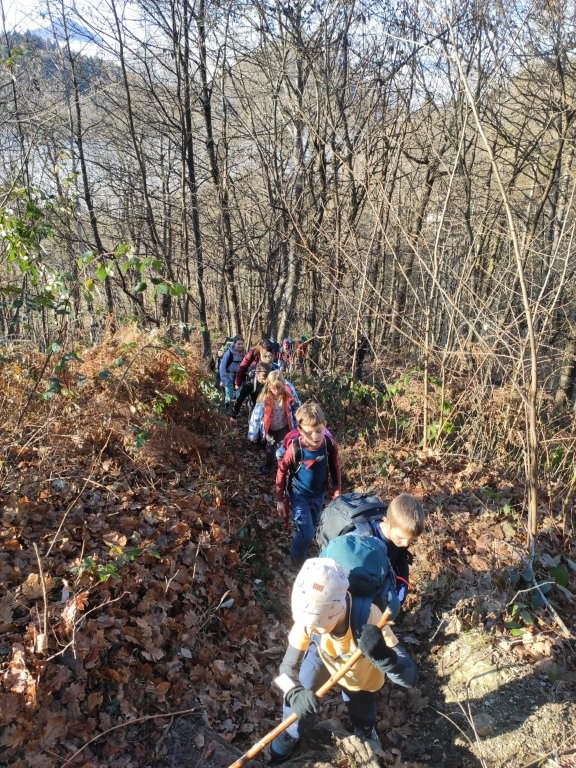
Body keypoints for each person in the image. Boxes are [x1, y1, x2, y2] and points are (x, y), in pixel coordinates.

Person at [269, 557, 418, 762]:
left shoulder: (369, 616)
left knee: (361, 707)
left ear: (334, 612)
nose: (309, 629)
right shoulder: (308, 617)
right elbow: (286, 667)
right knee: (300, 695)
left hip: (360, 675)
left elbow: (410, 678)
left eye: (316, 625)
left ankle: (364, 729)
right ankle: (292, 730)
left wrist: (385, 657)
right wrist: (293, 693)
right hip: (323, 657)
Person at [276, 402, 341, 564]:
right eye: (309, 432)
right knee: (306, 533)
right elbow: (282, 470)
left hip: (318, 494)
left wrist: (337, 489)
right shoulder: (295, 449)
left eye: (319, 431)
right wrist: (279, 499)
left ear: (324, 426)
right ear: (300, 430)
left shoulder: (329, 445)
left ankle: (304, 545)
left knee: (313, 524)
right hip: (299, 494)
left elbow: (334, 466)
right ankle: (296, 559)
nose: (315, 437)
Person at [248, 370, 300, 471]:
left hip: (284, 426)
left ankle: (284, 467)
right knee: (270, 447)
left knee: (284, 447)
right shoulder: (265, 397)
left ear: (283, 385)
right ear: (269, 386)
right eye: (273, 388)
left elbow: (296, 408)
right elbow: (256, 415)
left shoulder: (288, 393)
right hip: (270, 428)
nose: (276, 391)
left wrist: (299, 425)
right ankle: (269, 464)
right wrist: (253, 434)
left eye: (279, 388)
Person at [219, 335, 244, 408]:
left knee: (238, 396)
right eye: (238, 344)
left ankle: (235, 411)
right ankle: (227, 410)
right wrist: (224, 380)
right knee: (229, 396)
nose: (240, 346)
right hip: (228, 377)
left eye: (242, 344)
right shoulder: (228, 353)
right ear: (234, 343)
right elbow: (222, 367)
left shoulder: (242, 354)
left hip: (238, 378)